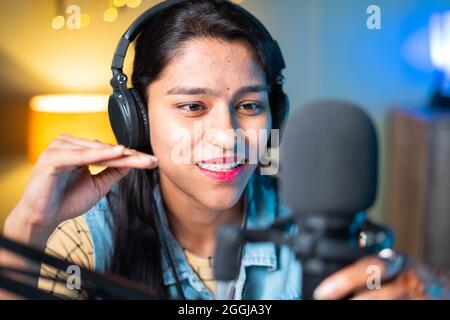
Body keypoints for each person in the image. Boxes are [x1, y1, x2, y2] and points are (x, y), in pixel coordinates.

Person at [1, 0, 449, 300]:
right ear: (135, 118)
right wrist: (28, 226)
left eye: (250, 105)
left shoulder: (329, 232)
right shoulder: (82, 244)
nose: (228, 135)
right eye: (193, 106)